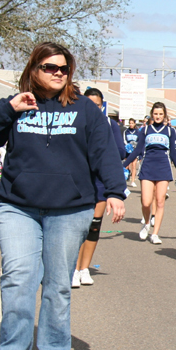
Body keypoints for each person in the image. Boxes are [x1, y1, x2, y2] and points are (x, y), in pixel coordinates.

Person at [0, 42, 126, 350]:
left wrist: (114, 192)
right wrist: (10, 108)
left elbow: (105, 153)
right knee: (18, 278)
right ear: (33, 70)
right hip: (18, 207)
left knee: (57, 283)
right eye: (49, 67)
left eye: (63, 68)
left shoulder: (85, 110)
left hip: (69, 210)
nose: (57, 73)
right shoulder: (17, 105)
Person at [72, 88, 126, 287]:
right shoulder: (75, 122)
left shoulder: (109, 124)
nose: (93, 108)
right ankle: (74, 268)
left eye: (97, 105)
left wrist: (102, 145)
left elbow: (120, 151)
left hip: (100, 181)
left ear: (102, 106)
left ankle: (84, 268)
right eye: (89, 104)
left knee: (93, 227)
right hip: (80, 179)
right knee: (78, 227)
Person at [123, 102, 176, 244]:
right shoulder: (145, 130)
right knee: (146, 201)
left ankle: (155, 233)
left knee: (160, 201)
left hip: (163, 166)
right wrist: (124, 165)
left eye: (161, 114)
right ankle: (146, 223)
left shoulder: (170, 131)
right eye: (155, 114)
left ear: (165, 115)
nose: (158, 116)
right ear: (152, 114)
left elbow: (174, 154)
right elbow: (137, 150)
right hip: (148, 166)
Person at [123, 118, 139, 187]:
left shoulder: (137, 131)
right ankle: (125, 180)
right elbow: (124, 140)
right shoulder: (126, 131)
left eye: (132, 123)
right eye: (130, 123)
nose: (131, 124)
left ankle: (133, 181)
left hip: (134, 151)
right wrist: (128, 145)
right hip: (127, 150)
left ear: (134, 123)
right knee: (126, 166)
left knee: (134, 165)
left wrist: (135, 146)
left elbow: (139, 141)